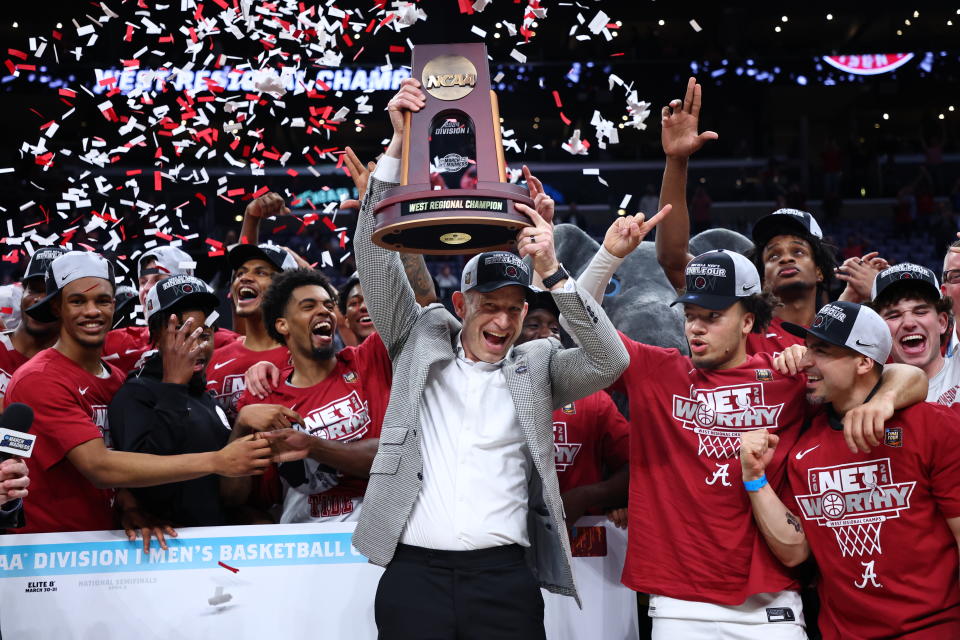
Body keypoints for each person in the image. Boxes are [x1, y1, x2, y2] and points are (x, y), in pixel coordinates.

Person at [351, 77, 630, 639]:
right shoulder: (419, 335)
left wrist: (552, 270)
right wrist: (397, 149)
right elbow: (374, 264)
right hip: (413, 574)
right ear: (461, 303)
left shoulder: (537, 367)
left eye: (515, 309)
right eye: (490, 307)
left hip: (503, 578)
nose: (504, 321)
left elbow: (609, 359)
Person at [571, 223, 927, 637]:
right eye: (690, 315)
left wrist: (883, 400)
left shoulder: (790, 373)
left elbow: (902, 373)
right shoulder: (657, 371)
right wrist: (609, 257)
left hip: (772, 604)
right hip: (679, 607)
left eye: (713, 316)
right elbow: (582, 324)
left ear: (747, 321)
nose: (696, 328)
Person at [4, 251, 286, 535]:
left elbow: (121, 460)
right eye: (77, 301)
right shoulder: (39, 378)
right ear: (56, 307)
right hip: (48, 549)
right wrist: (218, 460)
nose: (92, 311)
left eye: (102, 300)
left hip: (104, 543)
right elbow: (100, 468)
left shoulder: (115, 378)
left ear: (114, 305)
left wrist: (130, 506)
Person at [740, 301, 960, 639]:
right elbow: (796, 551)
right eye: (808, 348)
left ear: (863, 361)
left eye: (822, 351)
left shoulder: (932, 427)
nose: (806, 361)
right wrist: (755, 479)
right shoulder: (803, 447)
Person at [235, 268, 392, 523]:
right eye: (309, 306)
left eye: (329, 305)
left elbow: (391, 457)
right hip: (309, 546)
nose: (324, 311)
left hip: (379, 536)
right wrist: (241, 425)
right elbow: (239, 500)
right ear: (282, 324)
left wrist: (312, 447)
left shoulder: (368, 360)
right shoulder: (263, 397)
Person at [108, 274, 236, 527]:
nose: (196, 345)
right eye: (183, 332)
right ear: (155, 333)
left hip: (217, 547)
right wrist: (174, 385)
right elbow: (146, 486)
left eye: (204, 335)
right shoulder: (135, 394)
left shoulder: (206, 397)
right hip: (166, 554)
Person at [517, 291, 629, 527]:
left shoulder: (594, 400)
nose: (546, 334)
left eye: (555, 329)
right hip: (508, 537)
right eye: (533, 325)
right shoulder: (491, 391)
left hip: (581, 544)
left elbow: (634, 466)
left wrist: (589, 496)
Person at [102, 245, 240, 373]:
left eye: (158, 280)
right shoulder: (117, 342)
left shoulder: (223, 342)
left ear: (187, 285)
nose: (146, 289)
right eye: (142, 282)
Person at [205, 242, 299, 420]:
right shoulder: (213, 358)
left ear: (287, 288)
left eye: (260, 272)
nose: (244, 278)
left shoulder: (303, 358)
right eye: (240, 273)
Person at [0, 247, 67, 407]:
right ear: (22, 293)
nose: (40, 300)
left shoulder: (73, 372)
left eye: (51, 294)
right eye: (35, 290)